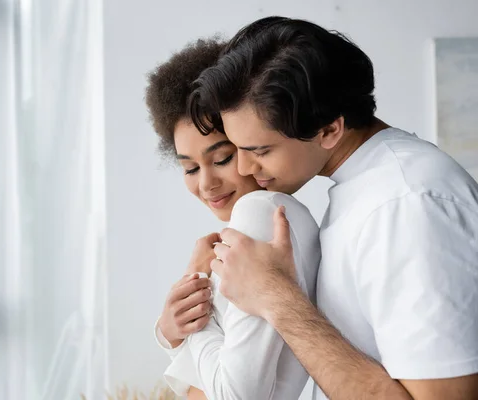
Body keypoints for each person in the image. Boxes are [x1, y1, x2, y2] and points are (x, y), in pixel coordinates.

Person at [188, 16, 478, 400]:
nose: (243, 168)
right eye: (236, 149)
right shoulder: (366, 189)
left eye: (259, 150)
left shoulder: (407, 204)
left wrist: (275, 297)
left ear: (329, 130)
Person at [145, 38, 321, 400]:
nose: (206, 184)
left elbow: (235, 395)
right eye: (190, 168)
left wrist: (199, 308)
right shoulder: (256, 221)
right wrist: (171, 331)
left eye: (221, 158)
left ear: (248, 143)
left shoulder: (259, 213)